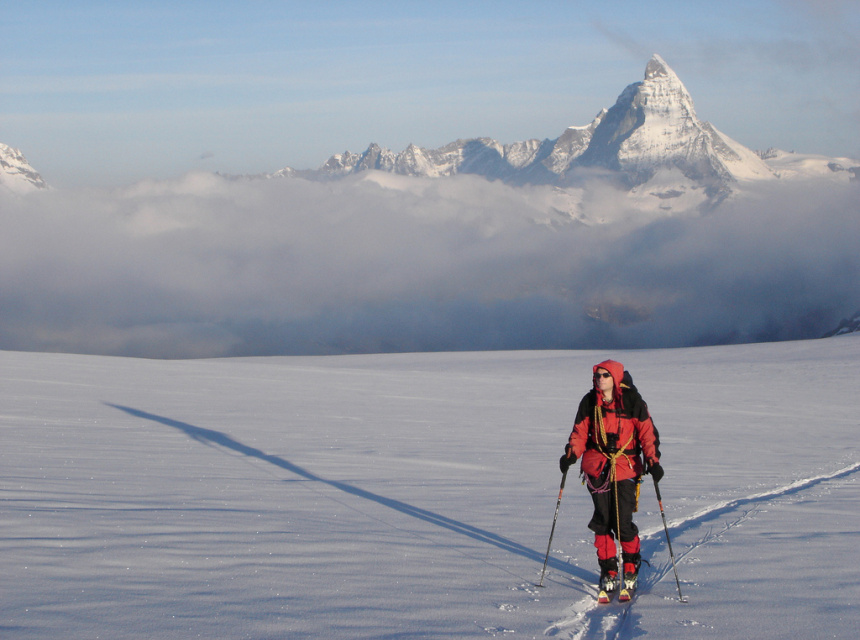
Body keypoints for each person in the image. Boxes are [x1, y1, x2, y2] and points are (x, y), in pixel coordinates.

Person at [559, 359, 663, 597]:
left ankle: (630, 565)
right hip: (598, 467)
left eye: (605, 375)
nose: (600, 379)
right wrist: (571, 454)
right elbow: (580, 432)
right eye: (597, 375)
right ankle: (609, 570)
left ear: (615, 377)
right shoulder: (589, 402)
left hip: (625, 467)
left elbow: (647, 433)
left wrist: (653, 461)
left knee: (622, 522)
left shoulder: (632, 401)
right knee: (603, 520)